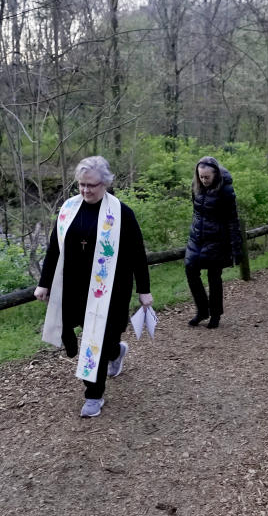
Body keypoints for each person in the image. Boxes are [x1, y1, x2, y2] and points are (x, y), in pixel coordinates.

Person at [35, 156, 153, 418]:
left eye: (92, 185)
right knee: (89, 333)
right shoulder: (69, 208)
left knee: (97, 337)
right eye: (81, 185)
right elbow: (55, 247)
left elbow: (137, 255)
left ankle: (93, 395)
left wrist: (144, 290)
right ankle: (116, 352)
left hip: (112, 290)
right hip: (75, 287)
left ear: (106, 183)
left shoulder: (122, 213)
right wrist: (44, 283)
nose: (86, 191)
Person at [184, 156, 242, 329]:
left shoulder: (226, 191)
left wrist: (236, 248)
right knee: (190, 269)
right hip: (197, 238)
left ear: (215, 174)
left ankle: (215, 314)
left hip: (218, 240)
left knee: (214, 276)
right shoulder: (196, 187)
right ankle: (202, 310)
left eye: (207, 177)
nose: (203, 180)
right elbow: (196, 211)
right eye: (201, 177)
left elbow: (232, 220)